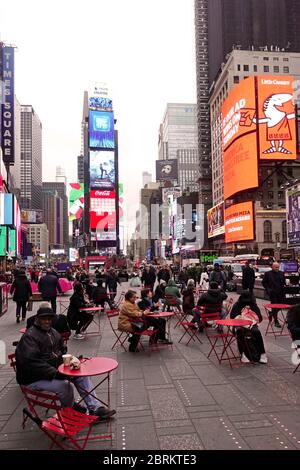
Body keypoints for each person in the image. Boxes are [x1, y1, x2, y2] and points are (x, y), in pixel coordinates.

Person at [15, 304, 115, 420]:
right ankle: (70, 412)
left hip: (53, 372)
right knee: (65, 386)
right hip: (33, 379)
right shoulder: (30, 337)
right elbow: (31, 363)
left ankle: (95, 408)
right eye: (44, 318)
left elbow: (62, 351)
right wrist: (56, 373)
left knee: (82, 376)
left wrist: (73, 359)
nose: (47, 321)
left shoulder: (53, 332)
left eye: (49, 318)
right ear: (37, 319)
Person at [230, 291, 267, 364]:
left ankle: (246, 353)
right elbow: (260, 318)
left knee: (244, 331)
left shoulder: (248, 305)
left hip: (248, 324)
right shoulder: (243, 305)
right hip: (242, 324)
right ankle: (260, 353)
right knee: (252, 331)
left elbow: (232, 316)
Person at [262, 262, 286, 328]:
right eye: (276, 267)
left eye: (278, 267)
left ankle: (271, 313)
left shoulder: (281, 273)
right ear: (272, 267)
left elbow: (283, 282)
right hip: (273, 293)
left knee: (280, 306)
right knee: (275, 306)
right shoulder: (268, 274)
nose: (277, 268)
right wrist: (268, 289)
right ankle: (276, 321)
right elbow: (264, 282)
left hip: (280, 292)